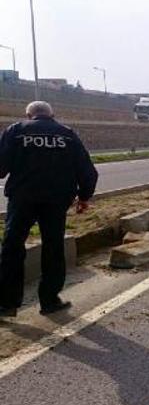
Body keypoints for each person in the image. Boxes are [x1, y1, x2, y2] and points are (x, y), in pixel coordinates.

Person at [0, 101, 98, 317]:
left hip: (22, 198)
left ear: (28, 114)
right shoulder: (67, 135)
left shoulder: (16, 131)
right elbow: (87, 171)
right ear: (52, 115)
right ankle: (50, 301)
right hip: (56, 200)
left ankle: (7, 303)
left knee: (12, 246)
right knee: (53, 248)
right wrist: (84, 197)